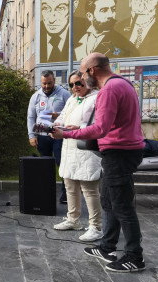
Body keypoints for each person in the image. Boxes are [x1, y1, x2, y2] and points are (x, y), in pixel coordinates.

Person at [51, 53, 146, 272]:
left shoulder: (109, 89)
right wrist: (79, 130)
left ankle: (134, 256)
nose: (83, 79)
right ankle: (106, 247)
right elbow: (110, 124)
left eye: (83, 73)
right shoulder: (123, 83)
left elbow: (101, 128)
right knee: (109, 202)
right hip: (121, 151)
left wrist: (66, 134)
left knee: (122, 206)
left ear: (92, 70)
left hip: (120, 153)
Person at [52, 71, 102, 242]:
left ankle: (96, 226)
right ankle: (73, 220)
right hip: (69, 147)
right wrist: (57, 125)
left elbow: (99, 124)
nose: (75, 87)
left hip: (87, 148)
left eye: (79, 83)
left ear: (87, 82)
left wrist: (77, 129)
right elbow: (62, 116)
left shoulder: (97, 98)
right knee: (70, 185)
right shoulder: (72, 98)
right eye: (72, 84)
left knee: (89, 188)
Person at [27, 70, 70, 204]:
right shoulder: (36, 96)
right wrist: (31, 135)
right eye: (44, 83)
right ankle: (45, 190)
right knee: (44, 164)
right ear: (41, 82)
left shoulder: (64, 94)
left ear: (54, 81)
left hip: (58, 134)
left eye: (49, 83)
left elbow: (71, 111)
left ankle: (66, 193)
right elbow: (31, 117)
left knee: (61, 163)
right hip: (42, 134)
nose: (46, 86)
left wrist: (58, 115)